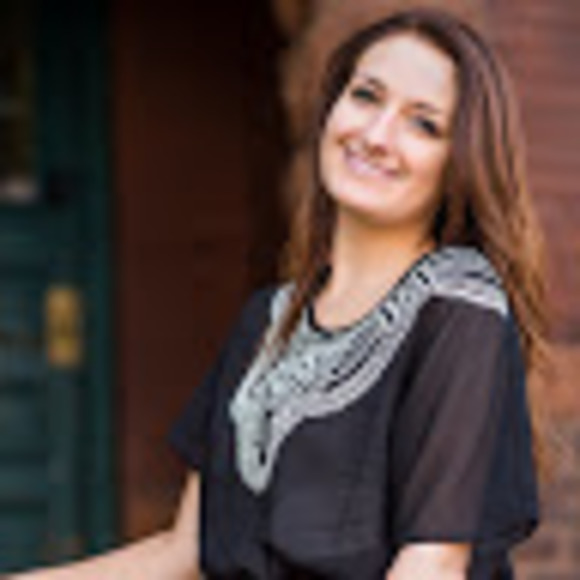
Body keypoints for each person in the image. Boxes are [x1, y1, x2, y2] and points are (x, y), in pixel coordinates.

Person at [9, 5, 549, 580]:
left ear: (460, 161)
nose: (375, 135)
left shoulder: (459, 308)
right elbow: (185, 549)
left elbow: (432, 564)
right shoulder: (268, 320)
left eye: (424, 124)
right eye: (366, 96)